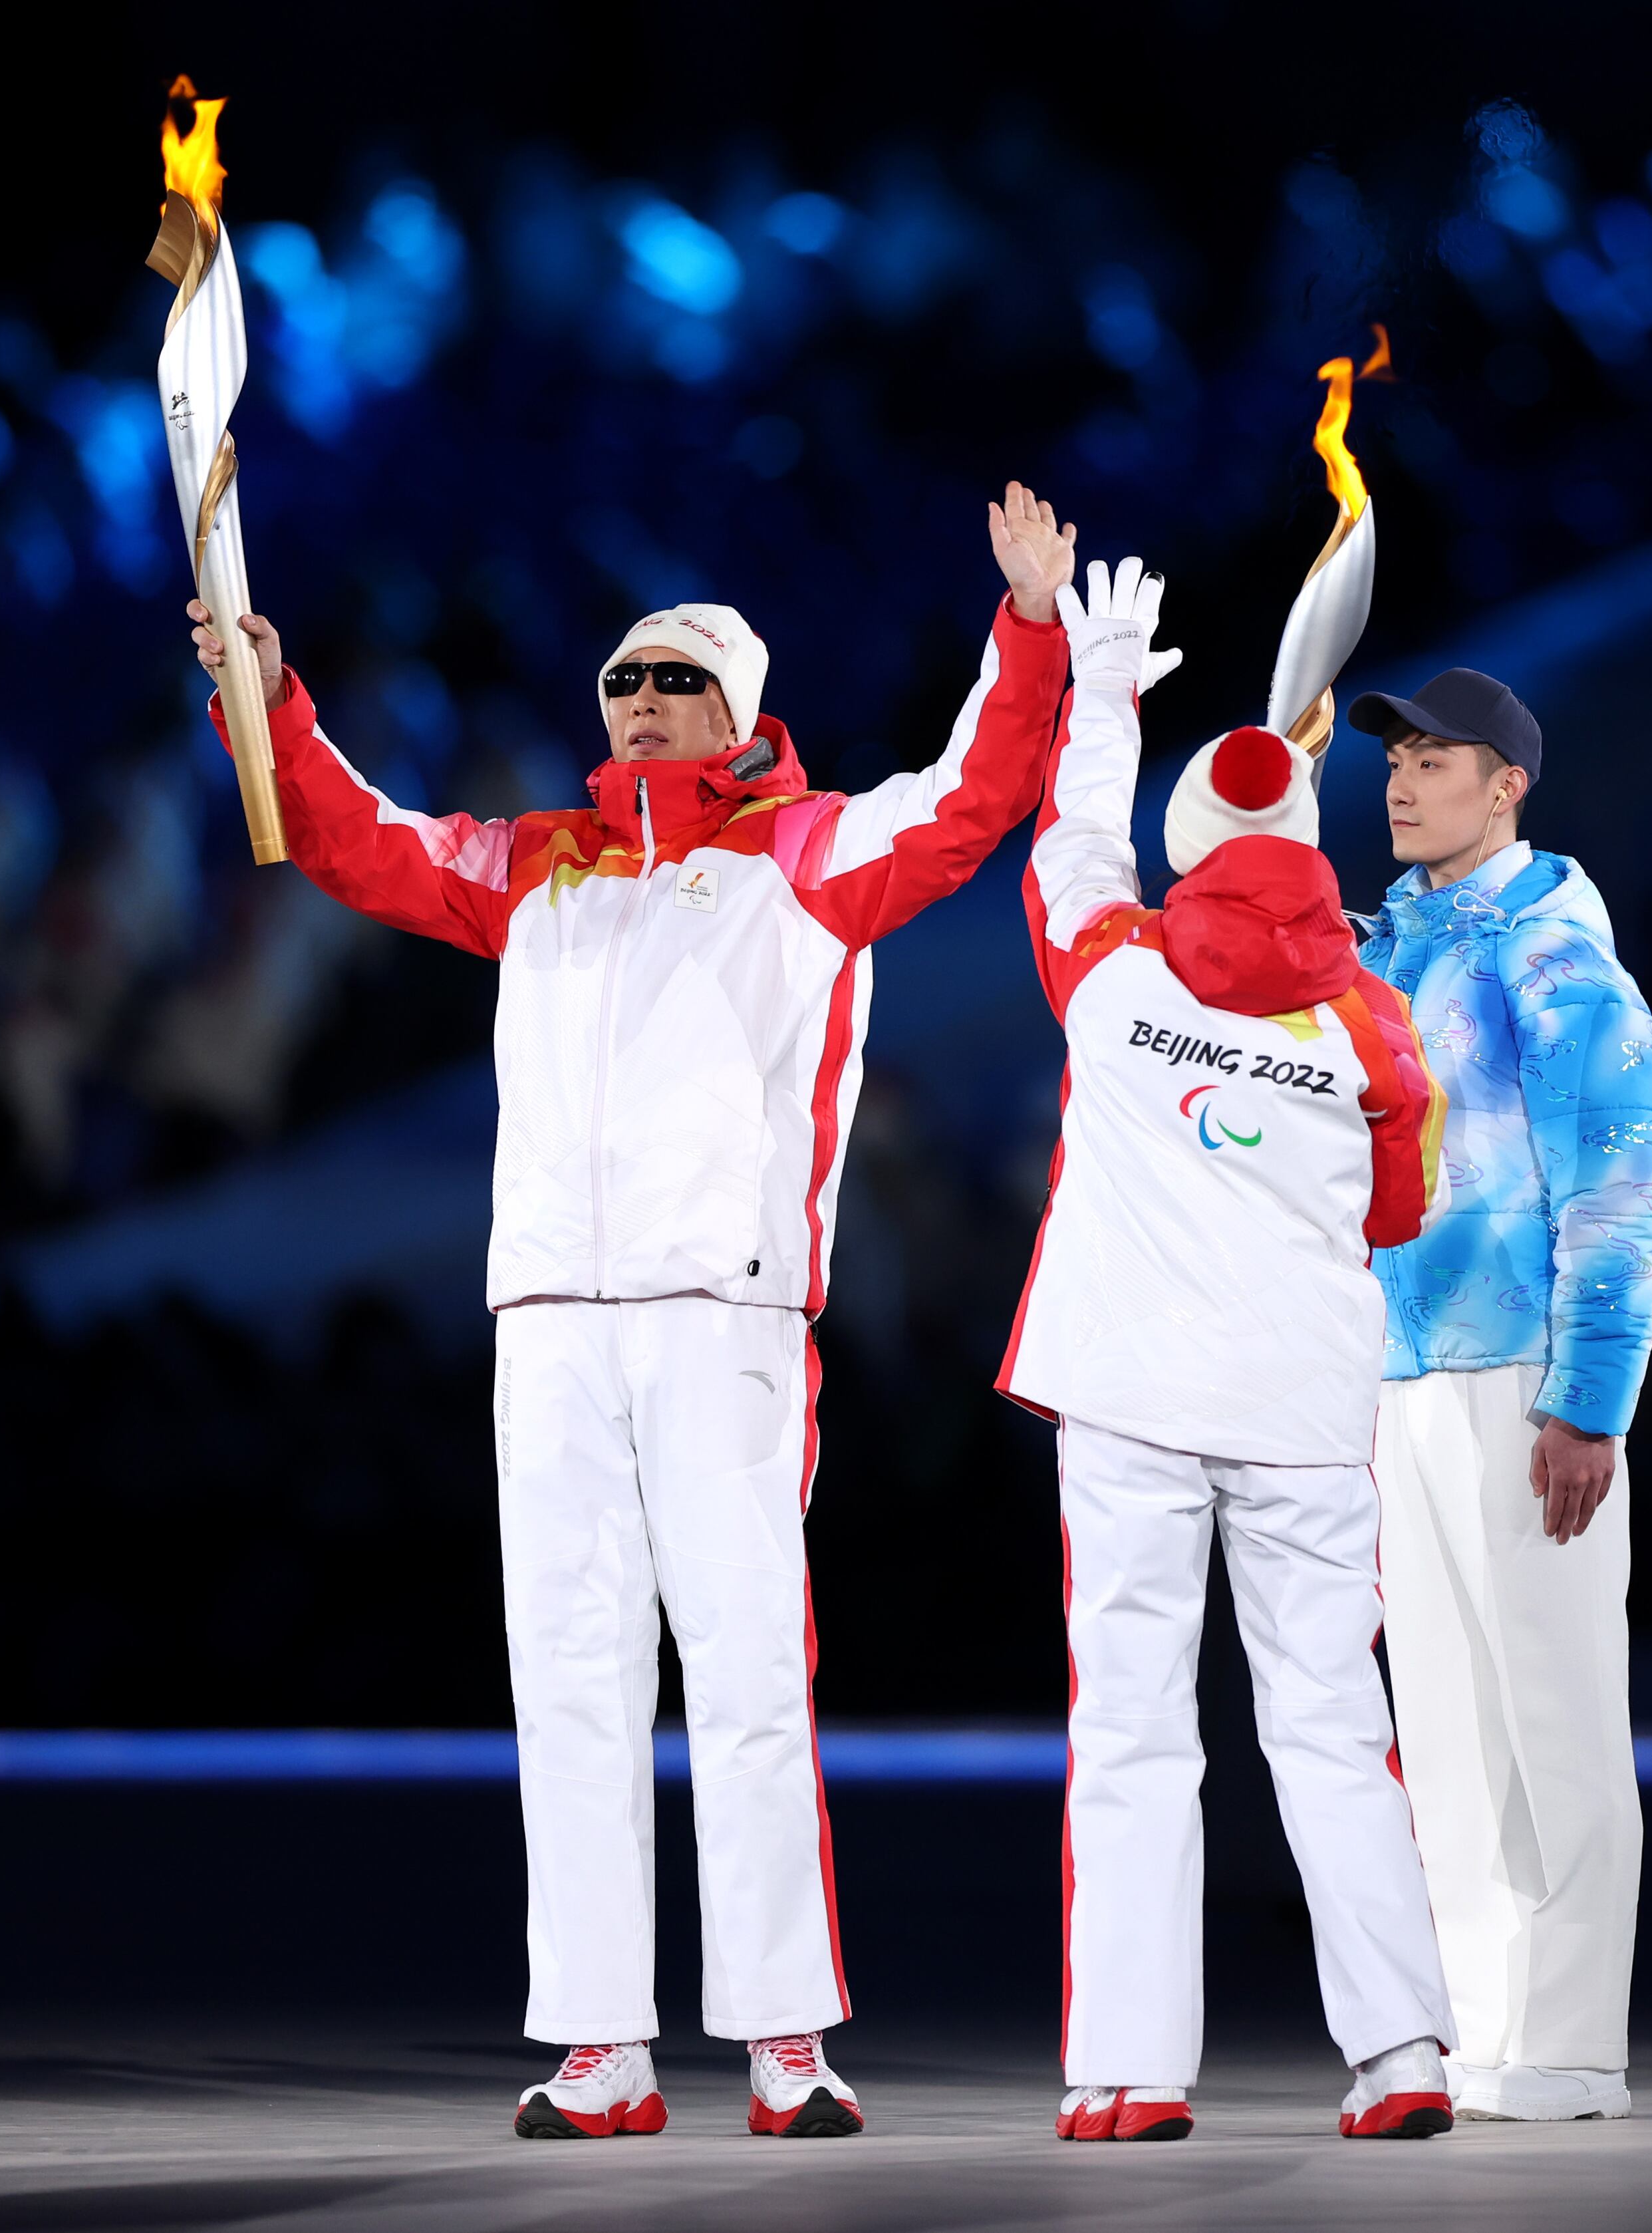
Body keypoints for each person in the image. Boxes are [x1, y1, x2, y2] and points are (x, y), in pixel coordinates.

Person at [188, 483, 1080, 2141]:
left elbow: (976, 797)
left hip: (721, 1312)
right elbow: (354, 837)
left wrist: (1027, 626)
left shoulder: (810, 853)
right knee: (570, 1677)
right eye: (624, 680)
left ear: (741, 710)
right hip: (548, 1314)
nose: (645, 701)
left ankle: (786, 2042)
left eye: (679, 680)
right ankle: (601, 2045)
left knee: (746, 1673)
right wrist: (271, 697)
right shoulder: (538, 866)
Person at [1001, 559, 1459, 2143]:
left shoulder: (1112, 970)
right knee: (1334, 1727)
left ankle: (1131, 2072)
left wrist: (1106, 693)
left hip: (1130, 1396)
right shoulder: (1375, 1028)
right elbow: (1399, 1212)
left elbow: (1071, 845)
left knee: (1132, 1729)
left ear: (1188, 847)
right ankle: (1404, 2055)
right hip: (1301, 1410)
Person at [1345, 669, 1652, 2124]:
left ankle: (1576, 2043)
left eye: (1436, 759)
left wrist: (1588, 1400)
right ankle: (1483, 2028)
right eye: (1395, 761)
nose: (1404, 783)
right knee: (1449, 1726)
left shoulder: (1558, 957)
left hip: (1526, 1379)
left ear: (1508, 783)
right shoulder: (1386, 951)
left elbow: (1616, 1191)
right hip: (1400, 1377)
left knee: (1557, 1710)